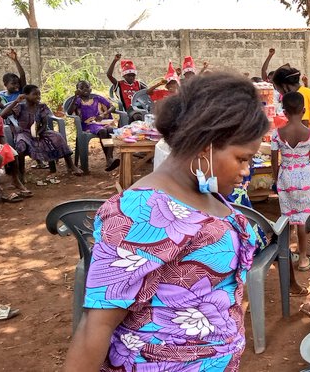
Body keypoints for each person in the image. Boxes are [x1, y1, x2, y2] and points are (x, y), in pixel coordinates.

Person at [64, 72, 270, 371]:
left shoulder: (203, 192)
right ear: (206, 145)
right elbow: (95, 327)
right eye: (242, 158)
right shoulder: (140, 212)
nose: (246, 171)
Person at [271, 92, 310, 273]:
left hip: (285, 178)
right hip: (306, 178)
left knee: (287, 217)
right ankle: (302, 257)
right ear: (304, 110)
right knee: (303, 220)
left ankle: (285, 254)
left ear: (284, 112)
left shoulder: (277, 134)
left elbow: (275, 162)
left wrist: (277, 181)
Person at [0, 85, 82, 176]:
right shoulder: (20, 107)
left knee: (57, 137)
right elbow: (2, 115)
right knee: (21, 144)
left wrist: (38, 133)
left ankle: (71, 166)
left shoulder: (42, 106)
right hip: (24, 133)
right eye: (35, 94)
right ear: (25, 95)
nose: (38, 97)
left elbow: (44, 123)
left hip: (41, 132)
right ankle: (21, 173)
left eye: (39, 94)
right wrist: (16, 101)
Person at [67, 81, 120, 172]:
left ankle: (109, 157)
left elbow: (112, 107)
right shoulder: (78, 100)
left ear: (90, 88)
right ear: (77, 90)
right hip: (87, 125)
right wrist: (75, 97)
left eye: (87, 87)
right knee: (103, 131)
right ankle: (109, 159)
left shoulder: (97, 98)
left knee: (111, 130)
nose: (85, 89)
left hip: (101, 122)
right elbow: (69, 112)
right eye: (82, 88)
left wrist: (103, 114)